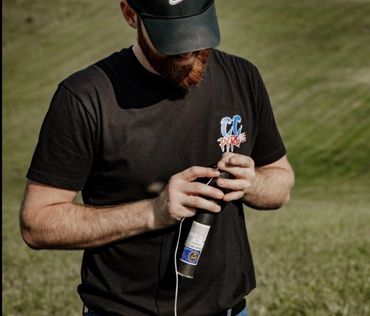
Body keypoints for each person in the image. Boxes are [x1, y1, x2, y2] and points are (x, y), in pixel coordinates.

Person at [20, 0, 295, 315]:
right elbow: (37, 223)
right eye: (173, 40)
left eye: (196, 31)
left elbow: (281, 181)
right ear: (129, 14)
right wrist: (152, 212)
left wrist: (252, 183)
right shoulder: (85, 97)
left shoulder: (242, 77)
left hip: (231, 310)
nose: (189, 52)